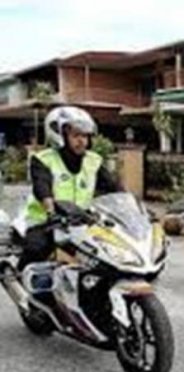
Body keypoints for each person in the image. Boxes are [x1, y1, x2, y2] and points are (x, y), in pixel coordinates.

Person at [18, 106, 121, 270]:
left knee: (110, 254)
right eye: (76, 135)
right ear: (60, 135)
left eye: (85, 136)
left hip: (81, 222)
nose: (82, 141)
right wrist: (51, 213)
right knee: (36, 247)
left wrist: (136, 212)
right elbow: (42, 188)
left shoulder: (93, 161)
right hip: (45, 221)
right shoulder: (43, 159)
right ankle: (19, 275)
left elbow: (115, 189)